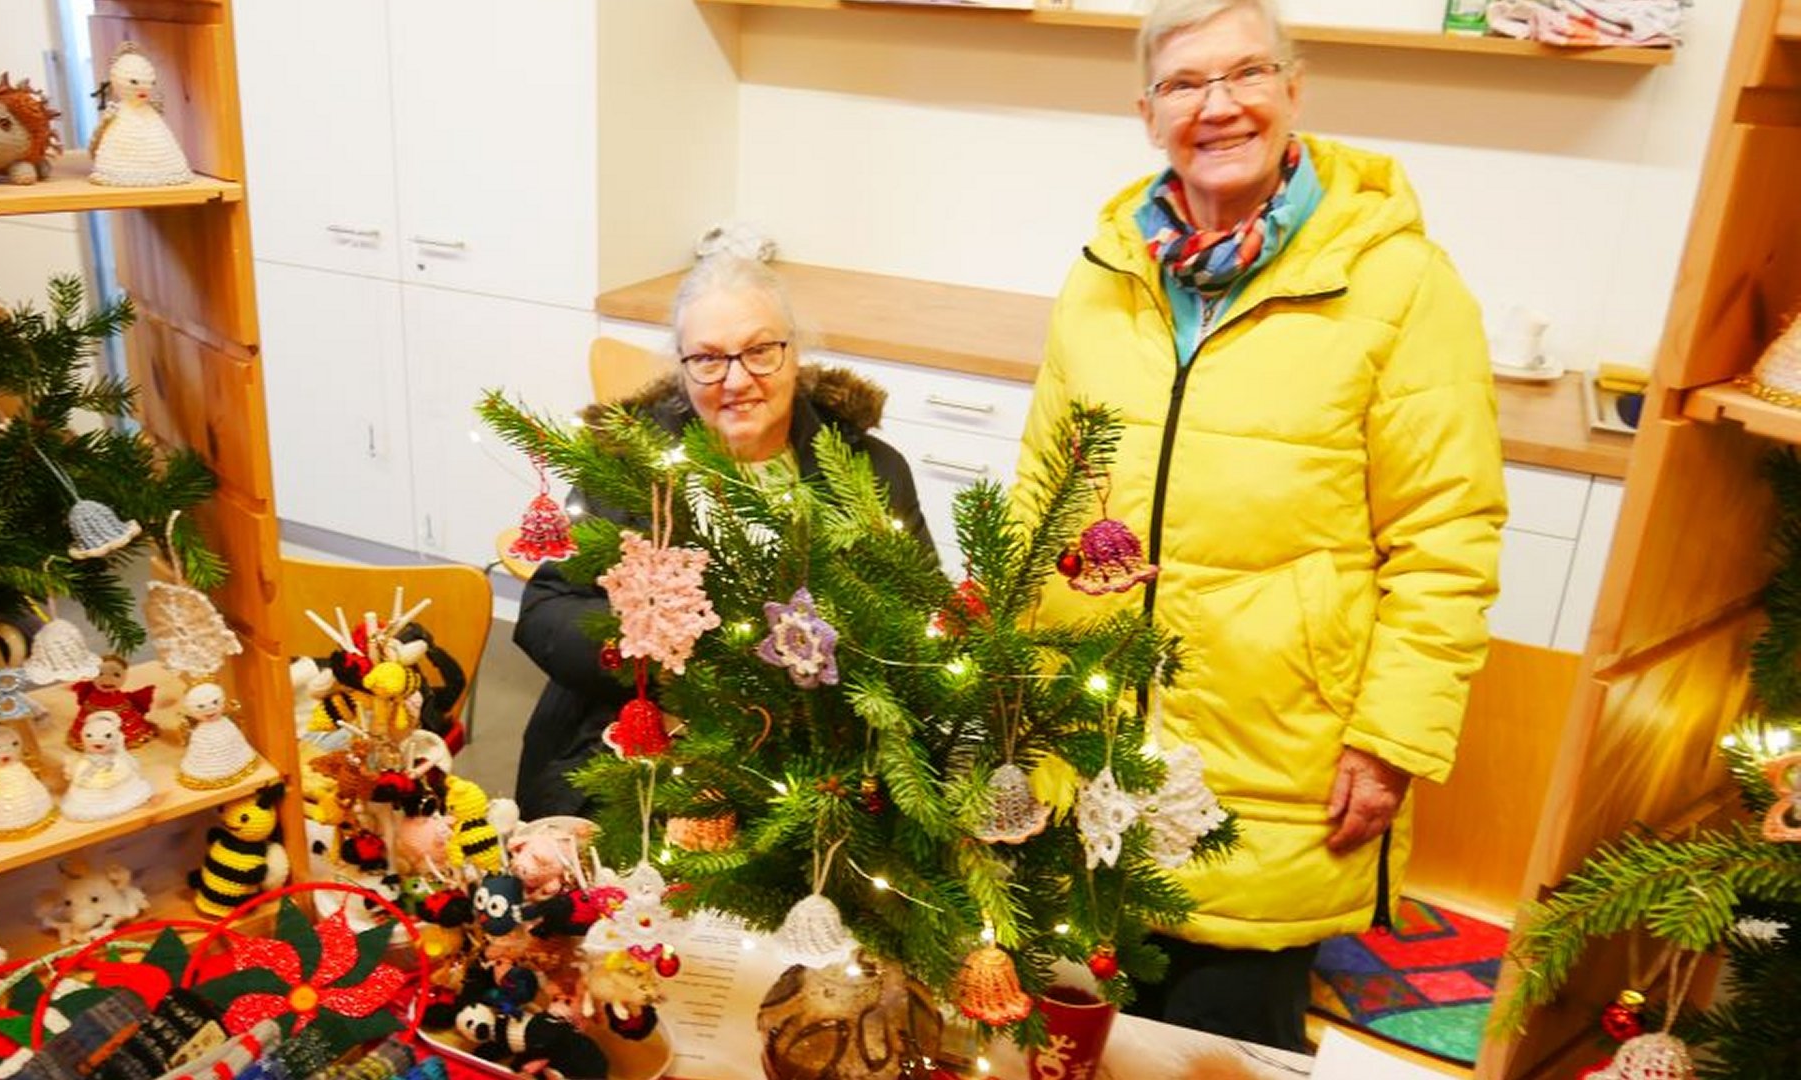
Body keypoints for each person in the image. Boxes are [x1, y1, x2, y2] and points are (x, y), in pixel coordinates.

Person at [1012, 0, 1506, 1051]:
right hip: (1089, 750)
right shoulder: (1104, 273)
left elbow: (1447, 536)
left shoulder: (1401, 283)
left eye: (1247, 74)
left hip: (1279, 758)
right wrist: (1010, 690)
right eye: (1186, 83)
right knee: (1070, 1040)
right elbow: (1042, 493)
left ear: (1294, 89)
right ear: (1148, 113)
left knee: (1221, 1052)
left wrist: (1391, 740)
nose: (1219, 105)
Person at [513, 254, 932, 818]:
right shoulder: (630, 464)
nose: (736, 380)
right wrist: (645, 650)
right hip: (635, 747)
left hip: (810, 766)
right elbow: (546, 609)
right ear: (682, 369)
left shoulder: (870, 470)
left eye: (760, 351)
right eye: (708, 359)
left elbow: (918, 626)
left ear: (794, 352)